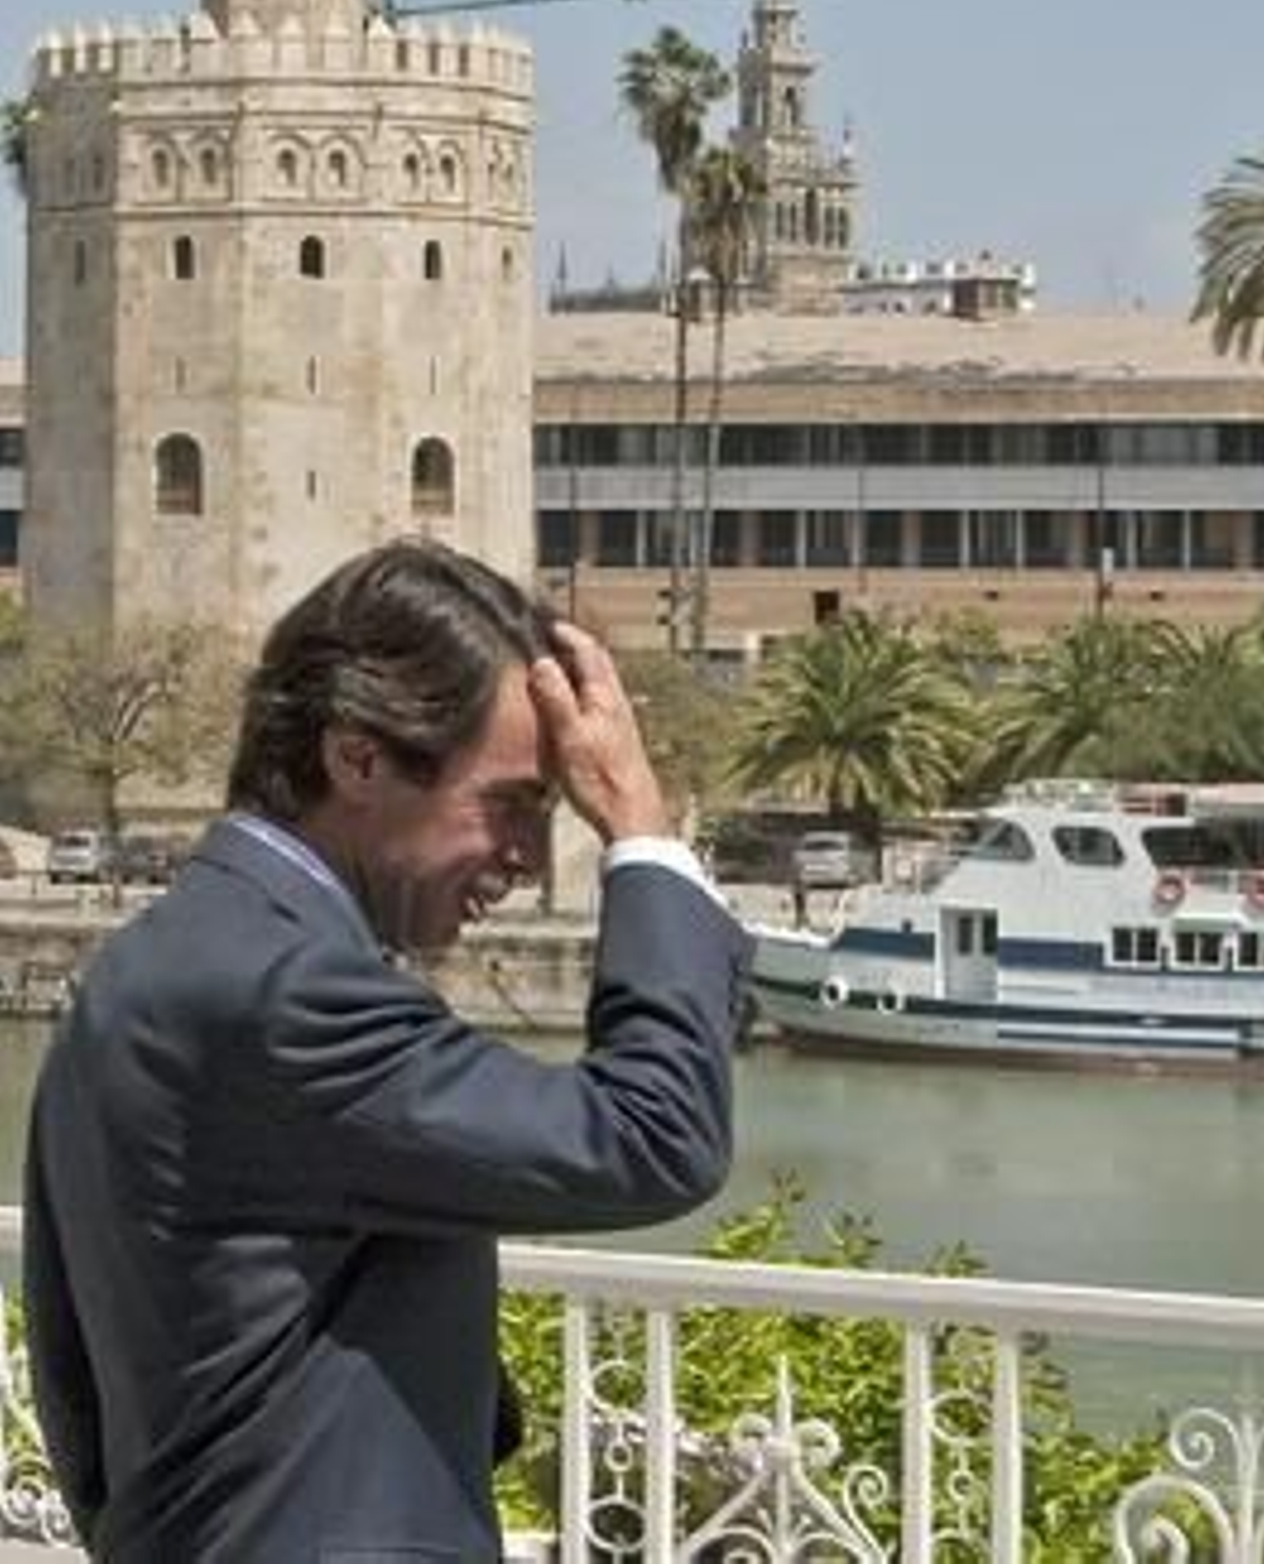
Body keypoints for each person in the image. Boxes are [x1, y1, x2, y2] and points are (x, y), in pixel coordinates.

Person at [23, 539, 753, 1562]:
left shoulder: (151, 963)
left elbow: (68, 1366)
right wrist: (641, 830)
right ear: (356, 757)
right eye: (510, 804)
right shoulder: (286, 992)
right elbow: (652, 1138)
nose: (530, 858)